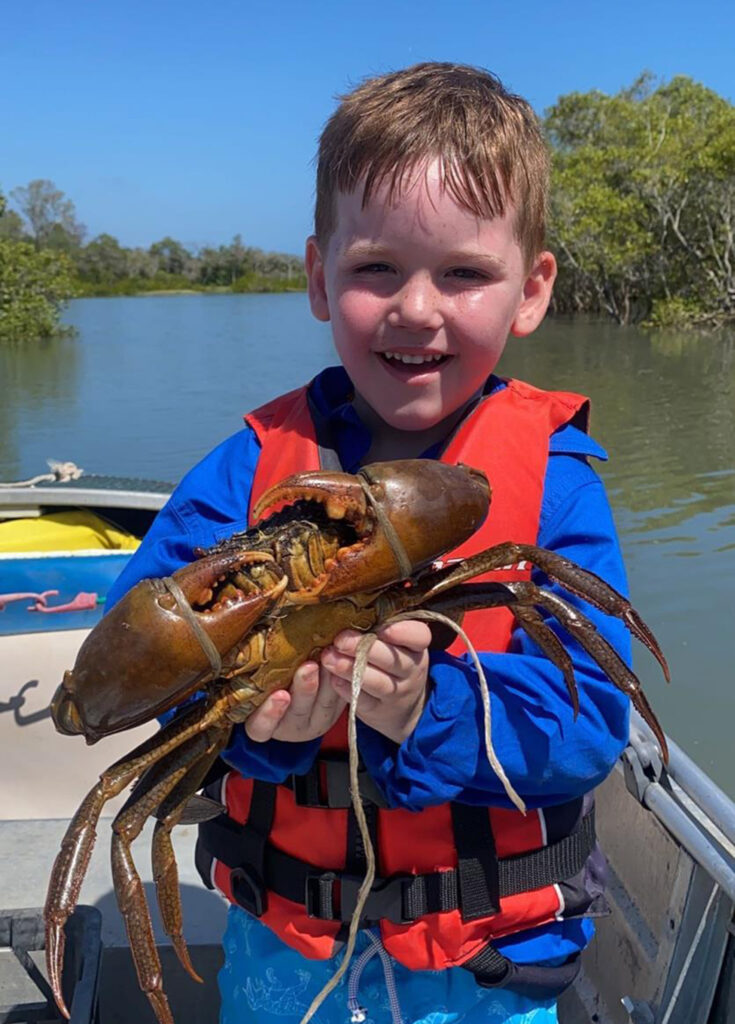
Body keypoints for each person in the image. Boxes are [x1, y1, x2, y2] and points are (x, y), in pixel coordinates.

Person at [107, 63, 633, 1024]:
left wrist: (426, 704)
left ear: (531, 289)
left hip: (488, 972)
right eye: (375, 267)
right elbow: (146, 676)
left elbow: (590, 718)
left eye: (464, 272)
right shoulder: (248, 471)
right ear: (318, 275)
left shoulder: (553, 481)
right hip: (286, 954)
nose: (416, 309)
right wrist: (252, 730)